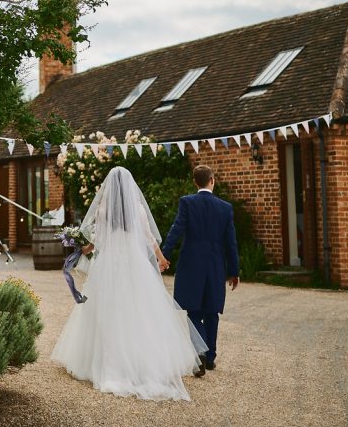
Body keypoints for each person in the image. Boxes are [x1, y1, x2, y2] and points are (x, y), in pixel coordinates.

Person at [51, 166, 209, 400]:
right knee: (139, 311)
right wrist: (162, 259)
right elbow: (148, 238)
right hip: (134, 265)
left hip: (109, 264)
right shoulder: (138, 210)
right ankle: (143, 362)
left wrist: (81, 249)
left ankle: (106, 363)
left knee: (107, 312)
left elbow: (98, 241)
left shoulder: (103, 210)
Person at [161, 164, 240, 376]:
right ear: (212, 180)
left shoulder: (187, 202)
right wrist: (234, 271)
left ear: (195, 182)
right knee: (212, 311)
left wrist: (164, 255)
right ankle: (211, 357)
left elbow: (176, 230)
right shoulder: (225, 208)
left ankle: (199, 351)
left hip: (191, 265)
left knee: (194, 311)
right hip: (215, 266)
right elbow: (230, 242)